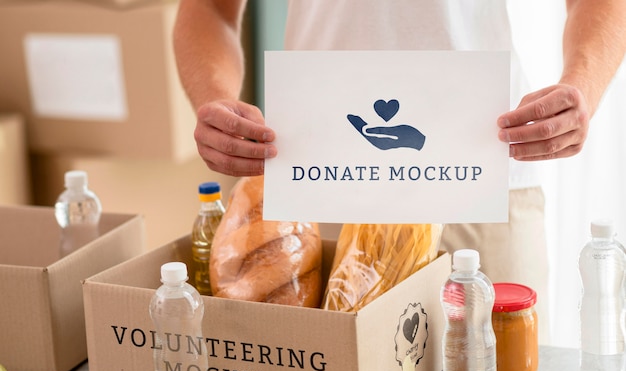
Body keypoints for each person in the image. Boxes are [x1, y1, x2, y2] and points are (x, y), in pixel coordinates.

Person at [172, 0, 626, 344]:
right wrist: (213, 100)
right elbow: (208, 8)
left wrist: (580, 85)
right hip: (321, 187)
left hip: (484, 176)